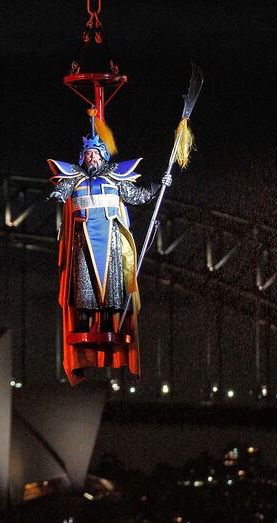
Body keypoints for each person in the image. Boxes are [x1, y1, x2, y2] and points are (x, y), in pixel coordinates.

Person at [46, 133, 171, 385]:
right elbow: (61, 189)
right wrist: (57, 195)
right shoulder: (75, 178)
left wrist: (159, 186)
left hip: (111, 239)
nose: (91, 158)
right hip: (83, 240)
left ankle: (107, 324)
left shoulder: (115, 177)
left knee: (111, 284)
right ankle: (83, 325)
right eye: (87, 154)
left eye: (95, 153)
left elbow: (137, 196)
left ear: (102, 155)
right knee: (84, 284)